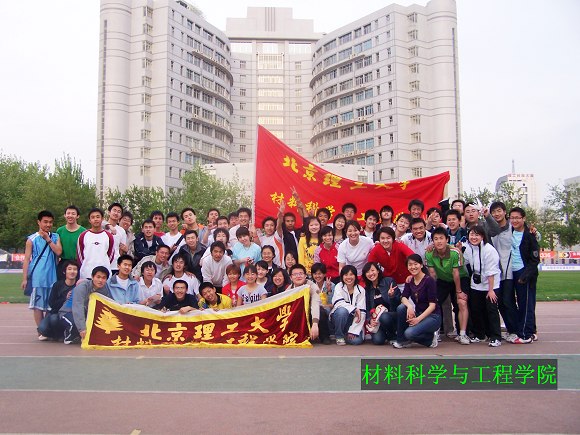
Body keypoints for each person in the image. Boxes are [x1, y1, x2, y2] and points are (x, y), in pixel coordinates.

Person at [426, 228, 471, 345]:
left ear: (447, 240)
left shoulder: (455, 252)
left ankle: (463, 334)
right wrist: (432, 292)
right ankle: (434, 333)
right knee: (434, 303)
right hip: (443, 280)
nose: (439, 241)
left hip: (460, 278)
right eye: (436, 239)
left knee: (461, 302)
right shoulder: (429, 253)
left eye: (441, 238)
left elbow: (456, 273)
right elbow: (432, 274)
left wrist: (459, 292)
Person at [22, 210, 63, 334]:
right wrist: (24, 278)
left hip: (52, 277)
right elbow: (27, 259)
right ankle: (41, 331)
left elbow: (59, 252)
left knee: (50, 305)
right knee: (38, 306)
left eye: (50, 222)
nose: (48, 224)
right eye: (45, 222)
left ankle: (47, 329)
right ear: (39, 222)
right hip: (38, 277)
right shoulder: (31, 239)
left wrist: (48, 239)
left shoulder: (55, 236)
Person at [462, 225, 502, 347]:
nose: (474, 237)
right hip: (476, 284)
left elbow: (491, 271)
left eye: (477, 235)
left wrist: (491, 290)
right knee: (476, 309)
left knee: (491, 310)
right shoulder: (468, 248)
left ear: (483, 236)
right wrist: (459, 250)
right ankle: (480, 334)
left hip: (491, 284)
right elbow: (465, 262)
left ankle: (495, 337)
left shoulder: (489, 250)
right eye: (471, 235)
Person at [393, 254, 441, 349]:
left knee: (409, 333)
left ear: (421, 265)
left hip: (432, 316)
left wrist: (417, 320)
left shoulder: (429, 280)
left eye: (415, 264)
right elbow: (403, 297)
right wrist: (409, 306)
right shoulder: (410, 280)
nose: (413, 267)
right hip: (418, 313)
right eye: (410, 264)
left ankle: (430, 339)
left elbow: (432, 306)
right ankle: (402, 341)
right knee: (401, 308)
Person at [509, 207, 540, 344]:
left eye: (517, 218)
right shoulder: (509, 232)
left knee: (526, 304)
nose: (514, 220)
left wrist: (525, 276)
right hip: (512, 272)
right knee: (518, 303)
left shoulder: (530, 235)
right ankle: (531, 331)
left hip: (525, 273)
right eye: (512, 218)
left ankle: (526, 335)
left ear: (523, 218)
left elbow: (535, 259)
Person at [489, 201, 519, 342]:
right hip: (497, 272)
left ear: (505, 212)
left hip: (510, 271)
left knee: (508, 301)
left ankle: (516, 330)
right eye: (494, 211)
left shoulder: (513, 227)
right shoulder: (491, 229)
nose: (497, 214)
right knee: (500, 302)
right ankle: (510, 328)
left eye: (499, 210)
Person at [38, 261, 77, 340]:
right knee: (42, 328)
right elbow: (52, 303)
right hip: (56, 311)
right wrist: (65, 298)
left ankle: (62, 335)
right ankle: (56, 334)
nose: (72, 271)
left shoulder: (79, 285)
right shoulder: (57, 285)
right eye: (69, 269)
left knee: (54, 319)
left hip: (71, 313)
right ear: (64, 272)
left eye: (75, 269)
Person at [70, 266, 112, 341]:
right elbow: (78, 307)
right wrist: (82, 328)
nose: (100, 280)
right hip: (69, 311)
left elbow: (109, 304)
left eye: (103, 278)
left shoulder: (105, 288)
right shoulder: (82, 287)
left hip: (87, 313)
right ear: (92, 277)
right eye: (98, 277)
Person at [362, 262, 399, 345]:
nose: (371, 274)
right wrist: (370, 320)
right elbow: (367, 307)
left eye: (372, 270)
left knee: (384, 317)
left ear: (378, 271)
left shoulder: (389, 281)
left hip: (392, 316)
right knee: (378, 340)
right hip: (377, 320)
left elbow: (397, 304)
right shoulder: (367, 290)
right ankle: (385, 333)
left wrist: (391, 296)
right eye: (367, 272)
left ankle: (392, 335)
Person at [288, 264, 325, 343]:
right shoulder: (289, 289)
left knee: (321, 311)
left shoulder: (312, 286)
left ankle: (324, 336)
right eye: (295, 274)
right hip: (298, 314)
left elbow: (315, 305)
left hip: (311, 312)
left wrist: (315, 323)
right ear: (291, 277)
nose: (298, 276)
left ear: (305, 276)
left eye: (301, 274)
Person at [330, 265, 366, 345]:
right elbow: (338, 303)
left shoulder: (361, 290)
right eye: (346, 275)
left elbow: (362, 312)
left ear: (355, 276)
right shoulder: (339, 286)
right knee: (342, 311)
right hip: (339, 318)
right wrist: (354, 309)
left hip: (352, 321)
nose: (349, 277)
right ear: (342, 276)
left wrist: (353, 331)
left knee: (356, 341)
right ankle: (339, 336)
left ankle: (346, 333)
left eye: (351, 274)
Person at [77, 208, 114, 279]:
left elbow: (110, 255)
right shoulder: (83, 235)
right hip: (86, 274)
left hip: (103, 275)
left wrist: (104, 264)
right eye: (93, 217)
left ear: (102, 219)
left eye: (98, 217)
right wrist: (86, 266)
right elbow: (80, 256)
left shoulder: (109, 236)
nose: (95, 219)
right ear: (89, 220)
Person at [55, 205, 85, 278]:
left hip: (78, 263)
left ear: (77, 216)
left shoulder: (83, 231)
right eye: (68, 213)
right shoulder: (60, 231)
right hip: (63, 263)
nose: (70, 216)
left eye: (73, 214)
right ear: (65, 215)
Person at [104, 202, 127, 274]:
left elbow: (121, 249)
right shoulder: (101, 227)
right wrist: (109, 225)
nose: (116, 213)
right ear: (109, 212)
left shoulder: (121, 231)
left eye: (119, 212)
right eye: (114, 210)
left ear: (121, 215)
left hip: (114, 265)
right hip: (102, 263)